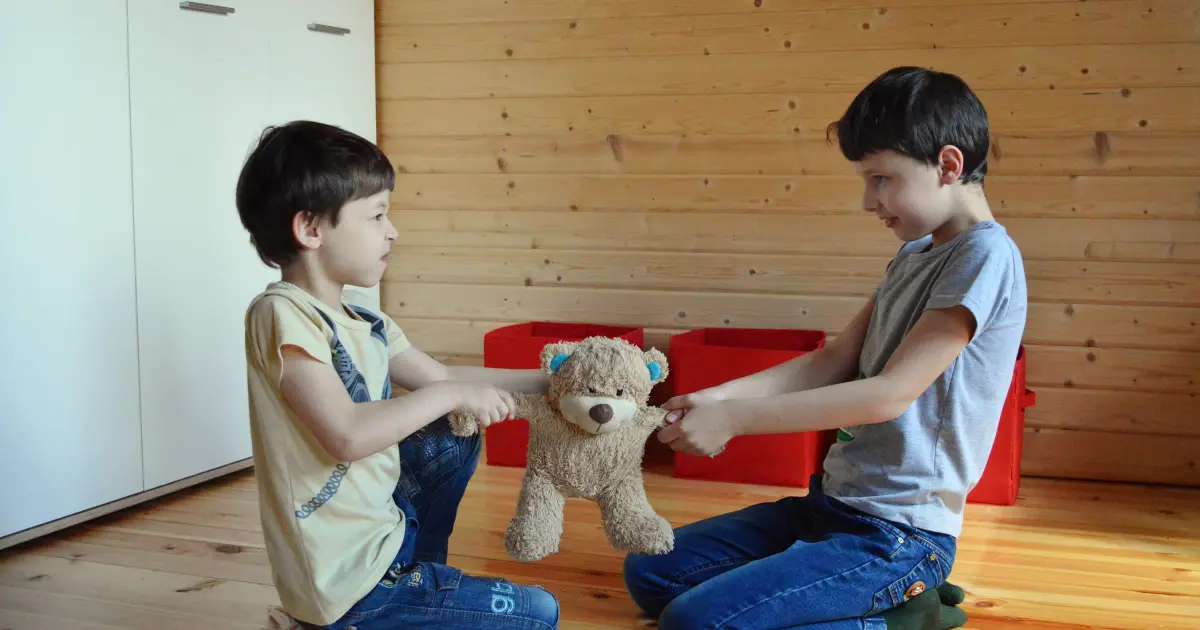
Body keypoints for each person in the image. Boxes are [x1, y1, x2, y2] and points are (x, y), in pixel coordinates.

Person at [623, 66, 1028, 630]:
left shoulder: (985, 257)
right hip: (831, 505)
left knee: (696, 623)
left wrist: (736, 420)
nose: (868, 200)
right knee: (650, 570)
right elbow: (832, 360)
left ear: (948, 165)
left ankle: (902, 614)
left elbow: (888, 395)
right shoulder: (913, 254)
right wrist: (717, 398)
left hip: (901, 534)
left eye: (881, 178)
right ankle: (884, 596)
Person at [236, 120, 560, 630]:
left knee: (454, 435)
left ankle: (419, 581)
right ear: (311, 229)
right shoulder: (281, 313)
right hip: (345, 587)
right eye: (377, 215)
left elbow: (441, 375)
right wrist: (452, 393)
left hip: (385, 532)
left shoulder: (365, 320)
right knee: (539, 615)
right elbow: (346, 435)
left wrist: (549, 383)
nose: (393, 230)